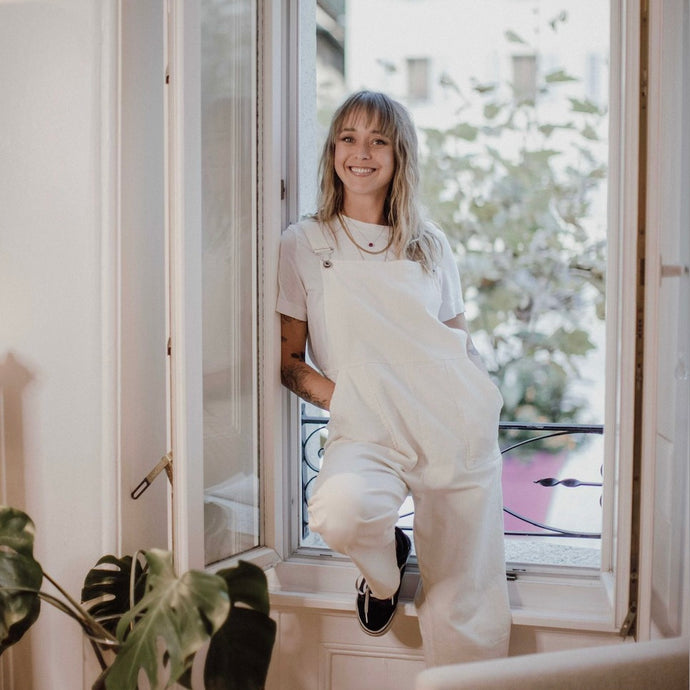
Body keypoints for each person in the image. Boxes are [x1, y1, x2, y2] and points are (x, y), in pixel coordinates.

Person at [277, 90, 511, 667]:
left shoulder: (430, 244)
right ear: (333, 150)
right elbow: (288, 362)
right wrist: (356, 402)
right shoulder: (304, 242)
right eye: (349, 138)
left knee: (468, 598)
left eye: (378, 139)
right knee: (340, 512)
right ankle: (382, 580)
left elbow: (459, 338)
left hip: (451, 424)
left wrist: (480, 402)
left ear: (398, 153)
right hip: (367, 429)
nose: (362, 152)